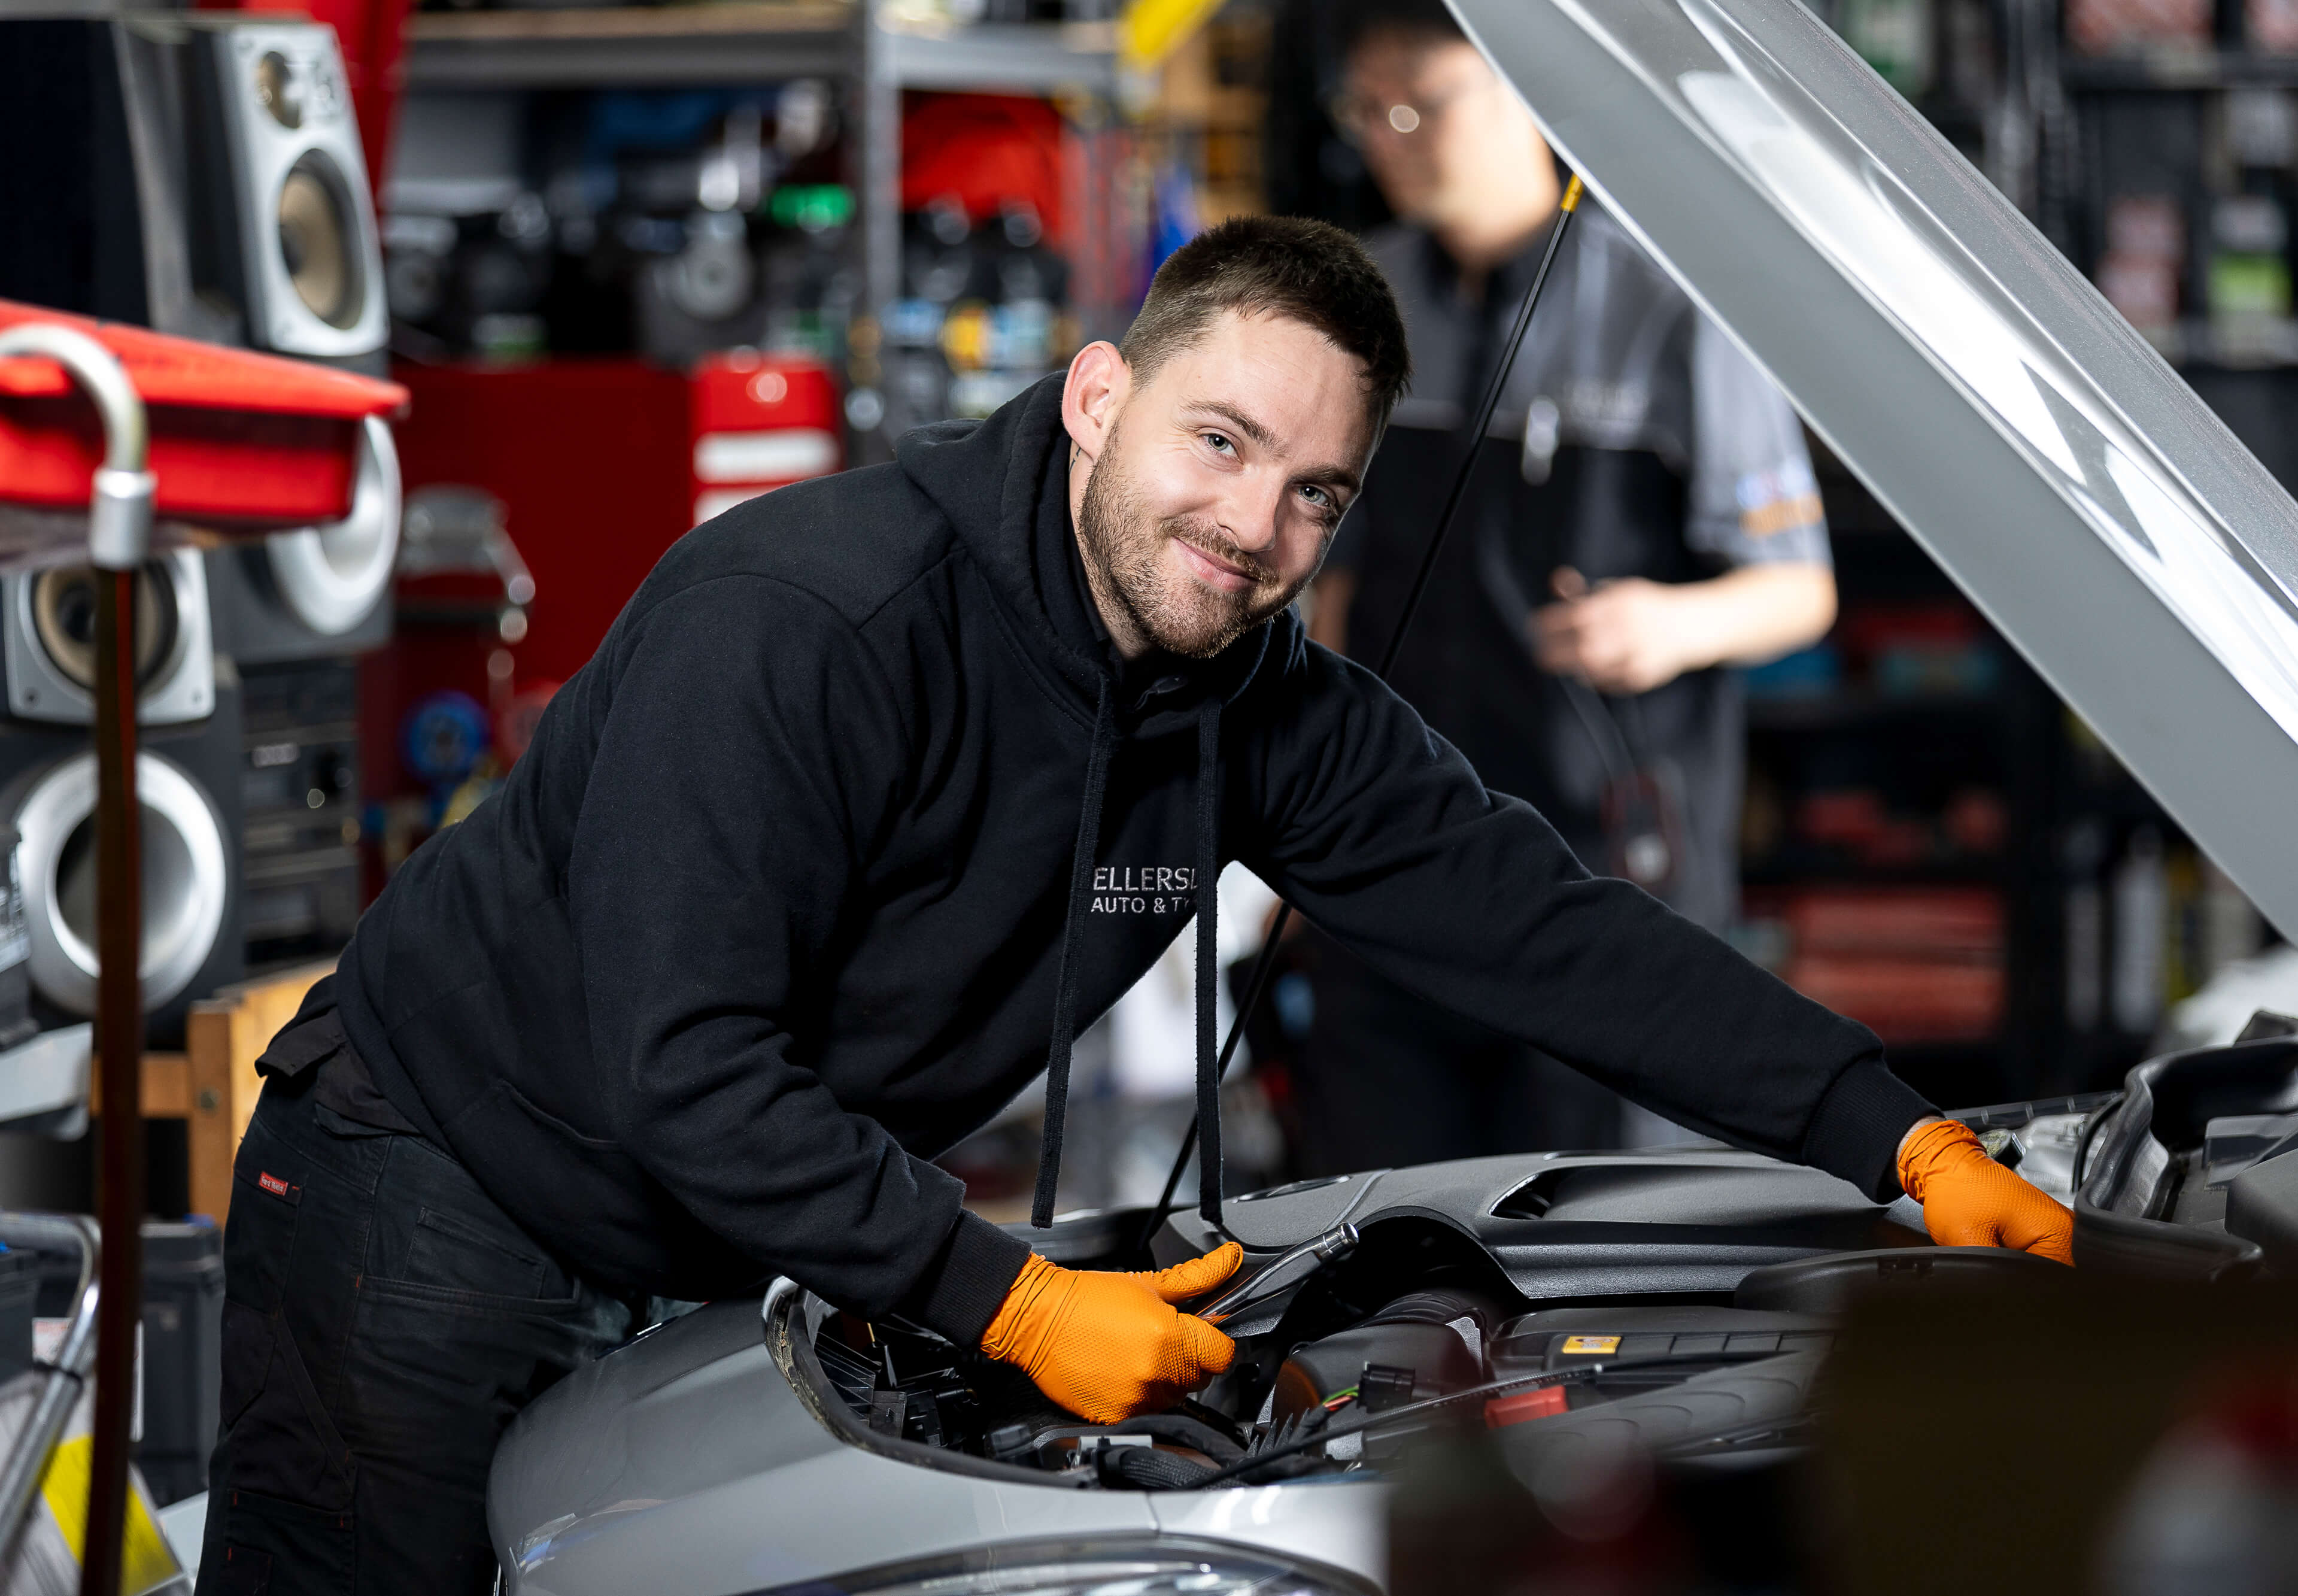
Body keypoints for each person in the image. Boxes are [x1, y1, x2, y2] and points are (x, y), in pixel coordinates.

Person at [197, 215, 2068, 1595]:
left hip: (714, 1246)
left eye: (1318, 493)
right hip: (437, 1193)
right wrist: (1006, 1300)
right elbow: (683, 1065)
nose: (1255, 528)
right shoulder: (802, 624)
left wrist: (1894, 1135)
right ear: (1099, 397)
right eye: (1220, 442)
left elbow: (1546, 927)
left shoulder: (1253, 700)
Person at [1292, 0, 1842, 1172]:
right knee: (1379, 1220)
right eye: (1366, 110)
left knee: (1593, 1225)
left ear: (1522, 92)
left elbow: (1798, 590)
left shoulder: (1673, 303)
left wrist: (1670, 622)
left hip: (1599, 876)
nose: (1387, 138)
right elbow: (1338, 588)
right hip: (1391, 863)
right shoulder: (1358, 304)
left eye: (1418, 106)